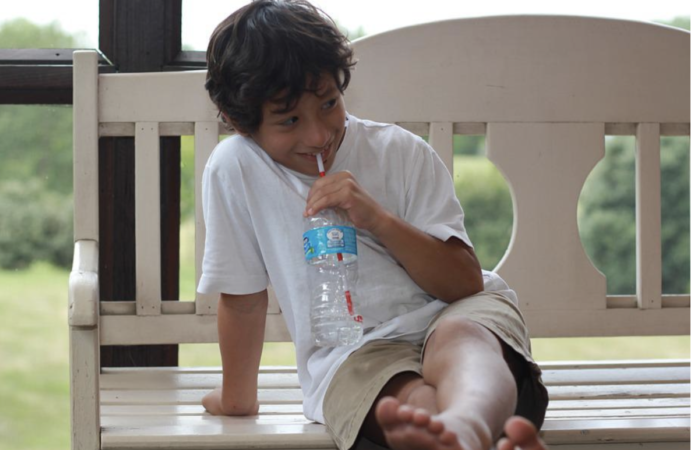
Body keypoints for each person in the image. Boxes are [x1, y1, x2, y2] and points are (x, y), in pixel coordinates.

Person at [198, 1, 550, 449]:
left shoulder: (401, 153)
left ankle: (467, 426)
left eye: (329, 103)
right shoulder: (237, 169)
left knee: (465, 340)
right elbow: (243, 300)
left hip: (455, 315)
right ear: (239, 123)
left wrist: (378, 220)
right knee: (388, 392)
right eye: (289, 120)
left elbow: (463, 283)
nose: (318, 134)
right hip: (355, 349)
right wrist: (236, 399)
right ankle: (454, 437)